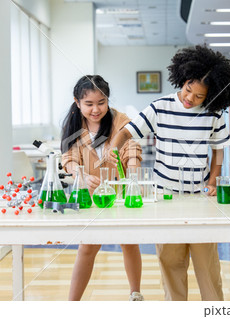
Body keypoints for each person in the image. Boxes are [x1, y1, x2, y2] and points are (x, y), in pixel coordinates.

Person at [107, 45, 230, 300]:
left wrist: (213, 182)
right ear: (183, 78)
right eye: (188, 89)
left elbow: (219, 151)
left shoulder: (214, 113)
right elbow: (126, 132)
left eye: (199, 96)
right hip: (165, 198)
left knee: (207, 268)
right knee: (171, 265)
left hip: (199, 199)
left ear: (210, 96)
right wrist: (113, 150)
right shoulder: (159, 107)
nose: (190, 98)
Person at [61, 75, 144, 301]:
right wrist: (81, 176)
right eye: (89, 104)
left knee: (129, 243)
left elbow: (132, 150)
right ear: (77, 102)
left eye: (101, 102)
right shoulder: (73, 124)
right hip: (90, 195)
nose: (96, 109)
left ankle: (135, 294)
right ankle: (72, 303)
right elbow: (68, 158)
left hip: (120, 193)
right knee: (87, 247)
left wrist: (133, 181)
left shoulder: (120, 120)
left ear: (107, 100)